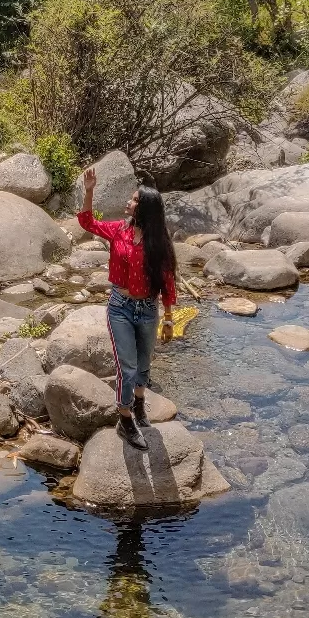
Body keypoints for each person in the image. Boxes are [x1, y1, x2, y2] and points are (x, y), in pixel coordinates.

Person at [77, 166, 177, 450]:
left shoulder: (159, 242)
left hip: (147, 309)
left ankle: (141, 404)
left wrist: (168, 319)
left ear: (144, 208)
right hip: (119, 307)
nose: (127, 203)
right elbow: (86, 222)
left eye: (133, 200)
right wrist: (89, 191)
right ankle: (125, 419)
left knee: (144, 364)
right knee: (127, 367)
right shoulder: (118, 230)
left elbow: (168, 282)